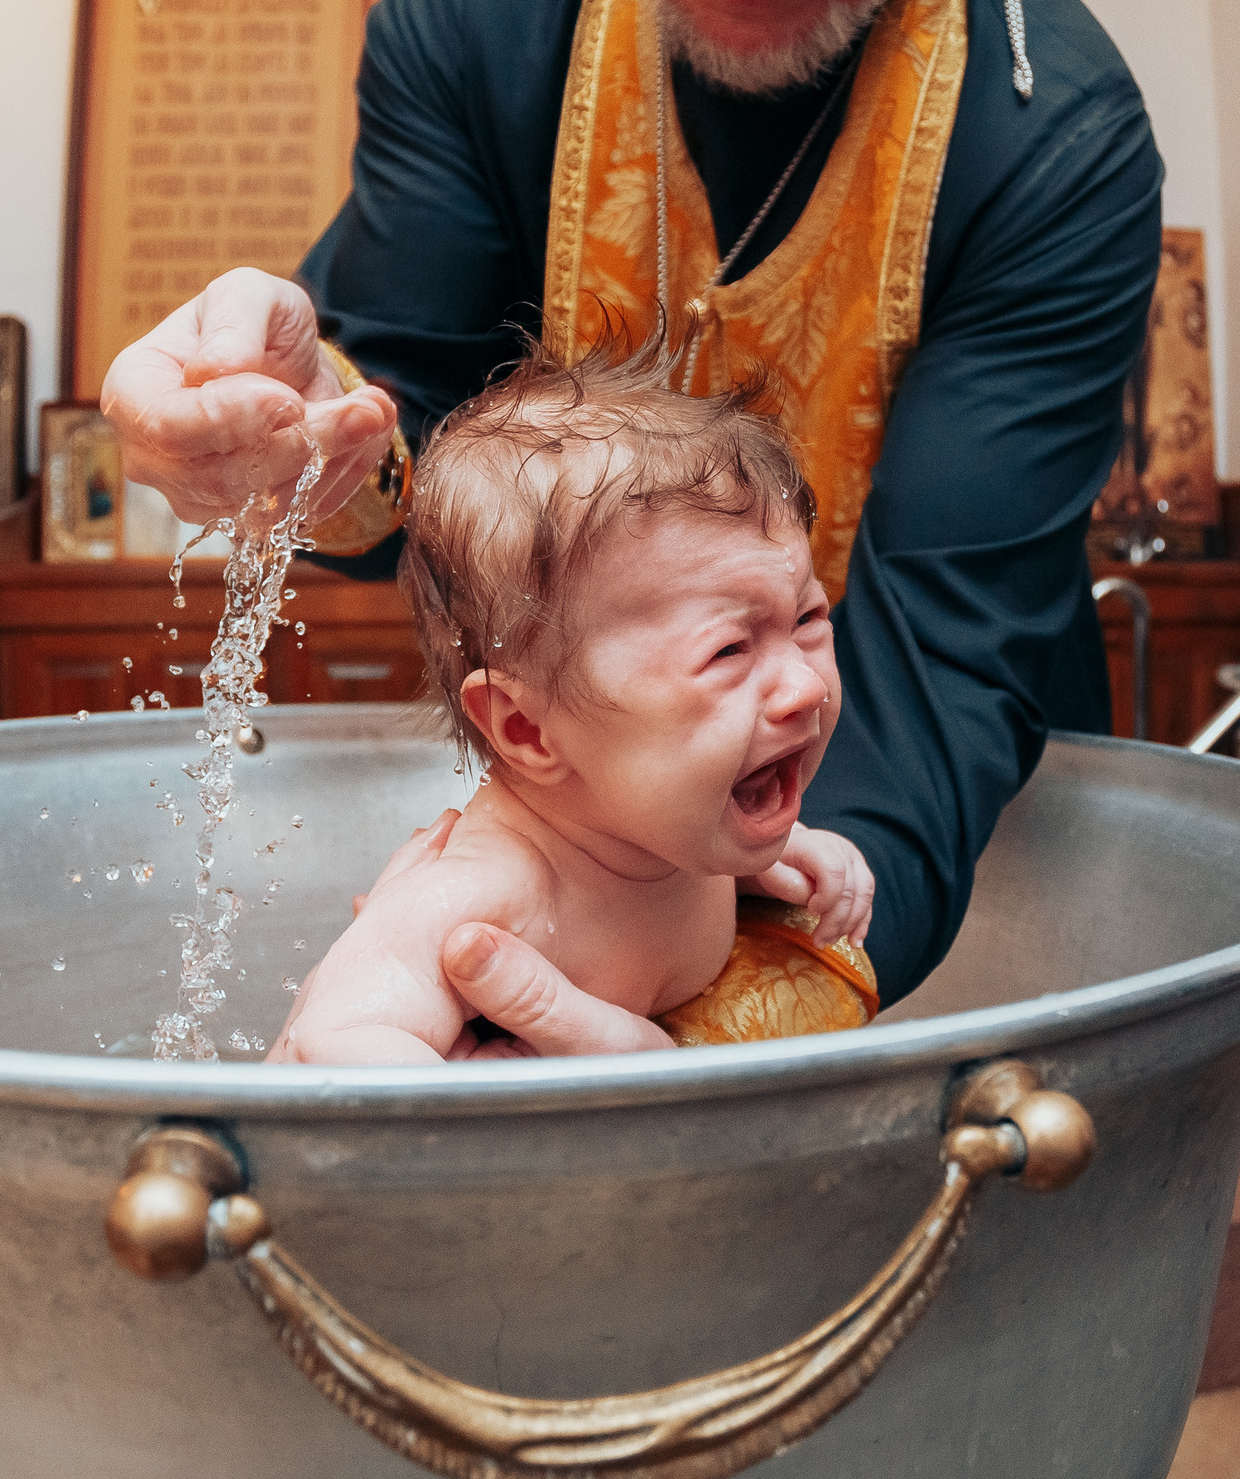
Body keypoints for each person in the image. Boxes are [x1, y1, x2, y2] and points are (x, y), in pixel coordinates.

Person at [104, 0, 1164, 1052]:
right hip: (599, 801)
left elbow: (947, 638)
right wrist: (303, 438)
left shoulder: (1057, 132)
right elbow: (415, 459)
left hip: (926, 806)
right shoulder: (480, 9)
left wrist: (694, 1041)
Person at [267, 354, 876, 1064]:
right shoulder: (487, 898)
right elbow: (331, 1040)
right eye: (728, 652)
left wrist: (795, 853)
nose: (804, 685)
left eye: (806, 617)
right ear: (526, 728)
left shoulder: (668, 820)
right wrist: (496, 1105)